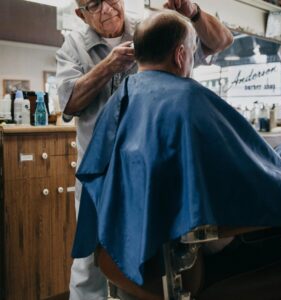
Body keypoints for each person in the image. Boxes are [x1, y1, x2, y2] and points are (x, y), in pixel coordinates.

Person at [72, 10, 281, 300]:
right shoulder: (188, 98)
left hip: (137, 258)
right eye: (193, 52)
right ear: (180, 56)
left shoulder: (119, 103)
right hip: (199, 258)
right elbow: (253, 175)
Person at [56, 0, 233, 299]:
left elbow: (220, 42)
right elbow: (69, 103)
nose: (107, 8)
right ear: (80, 13)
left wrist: (194, 13)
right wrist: (110, 65)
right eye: (94, 4)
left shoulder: (149, 27)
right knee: (90, 263)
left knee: (139, 256)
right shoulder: (73, 46)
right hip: (100, 174)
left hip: (150, 172)